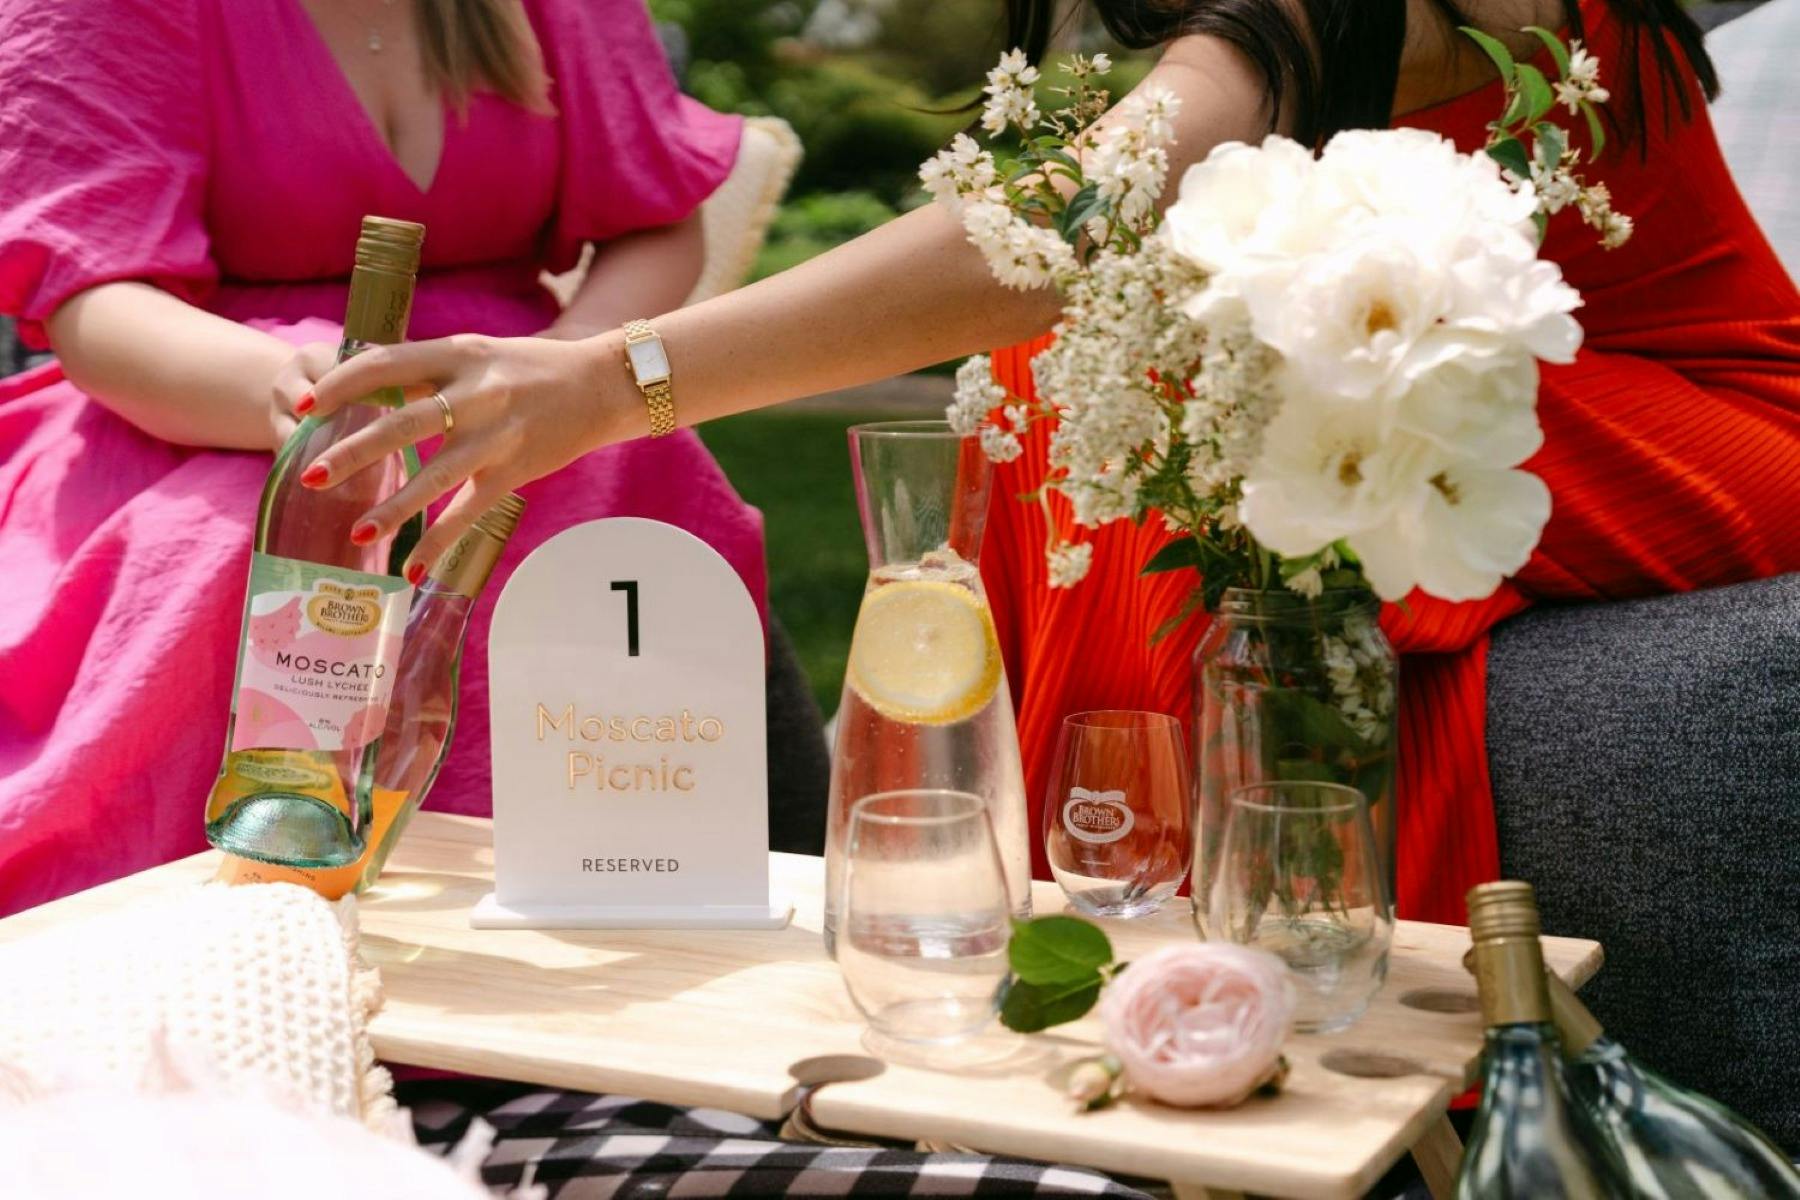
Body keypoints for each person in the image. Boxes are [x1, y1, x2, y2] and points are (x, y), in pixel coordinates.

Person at [300, 0, 1800, 927]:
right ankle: (1047, 879)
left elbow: (1050, 239)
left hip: (1709, 417)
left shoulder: (1337, 12)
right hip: (1479, 383)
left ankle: (1146, 903)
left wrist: (611, 381)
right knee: (1085, 366)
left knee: (1131, 358)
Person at [0, 0, 820, 917]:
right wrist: (297, 396)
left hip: (525, 375)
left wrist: (567, 375)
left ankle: (653, 892)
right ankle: (222, 919)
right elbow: (97, 298)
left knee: (631, 485)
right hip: (207, 395)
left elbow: (654, 223)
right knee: (254, 536)